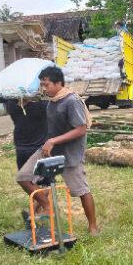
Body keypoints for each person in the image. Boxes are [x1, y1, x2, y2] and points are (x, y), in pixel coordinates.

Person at [16, 66, 99, 235]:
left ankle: (93, 226)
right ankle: (47, 205)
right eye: (41, 85)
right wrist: (27, 102)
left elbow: (81, 129)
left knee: (81, 191)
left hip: (70, 154)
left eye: (46, 85)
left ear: (59, 83)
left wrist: (53, 140)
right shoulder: (53, 100)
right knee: (23, 178)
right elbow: (43, 108)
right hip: (48, 151)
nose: (43, 88)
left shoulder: (71, 101)